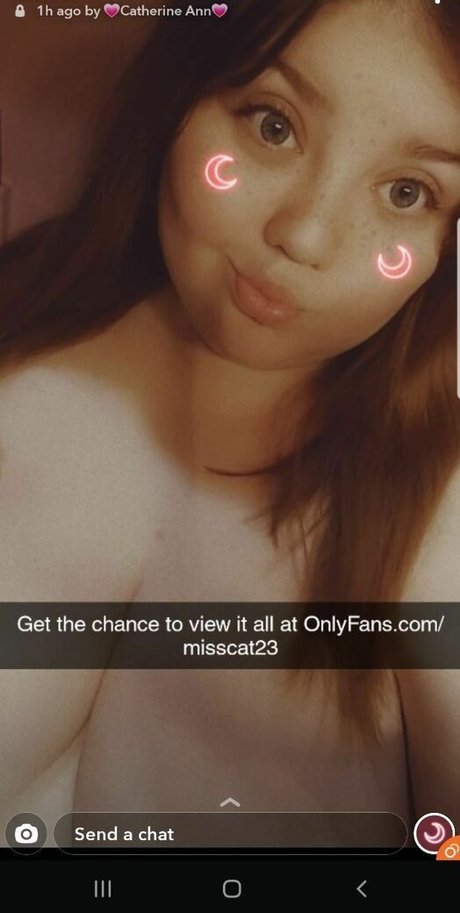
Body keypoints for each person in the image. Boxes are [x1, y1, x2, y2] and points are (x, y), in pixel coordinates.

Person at [0, 0, 459, 844]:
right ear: (183, 91)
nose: (306, 234)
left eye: (408, 192)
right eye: (273, 125)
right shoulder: (22, 320)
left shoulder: (436, 522)